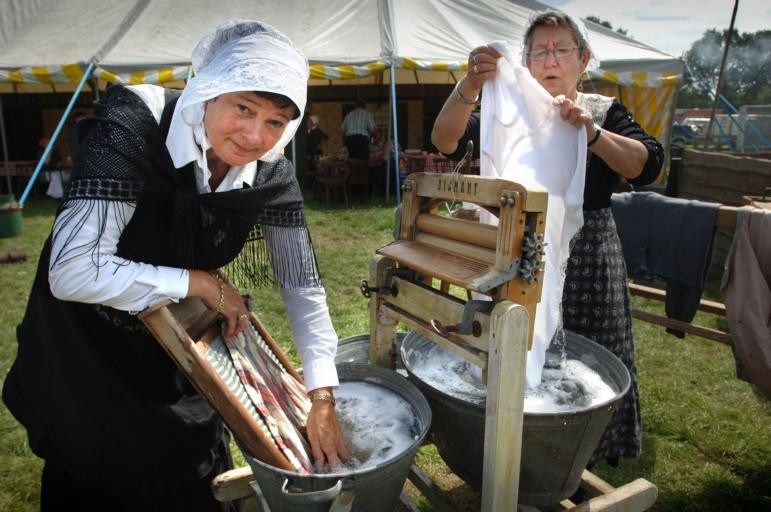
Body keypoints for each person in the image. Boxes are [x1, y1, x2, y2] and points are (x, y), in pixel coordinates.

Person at [3, 20, 349, 511]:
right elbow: (73, 270)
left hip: (173, 349)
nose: (255, 135)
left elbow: (303, 287)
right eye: (243, 107)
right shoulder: (137, 122)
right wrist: (200, 282)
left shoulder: (271, 171)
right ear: (209, 90)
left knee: (190, 466)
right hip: (85, 342)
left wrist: (321, 398)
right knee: (98, 474)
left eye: (275, 121)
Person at [431, 11, 664, 467]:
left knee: (588, 362)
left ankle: (586, 455)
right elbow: (445, 141)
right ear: (525, 61)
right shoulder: (510, 111)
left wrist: (592, 134)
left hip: (587, 259)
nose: (550, 60)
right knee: (516, 348)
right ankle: (514, 456)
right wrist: (468, 88)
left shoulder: (601, 111)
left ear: (584, 59)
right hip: (517, 252)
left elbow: (647, 164)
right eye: (539, 51)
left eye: (561, 50)